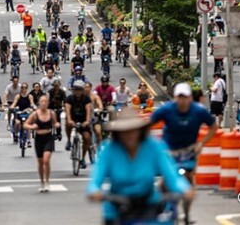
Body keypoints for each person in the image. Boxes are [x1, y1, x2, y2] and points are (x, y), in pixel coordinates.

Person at [87, 108, 193, 225]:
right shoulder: (109, 149)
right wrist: (94, 191)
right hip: (118, 207)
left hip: (148, 204)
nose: (129, 135)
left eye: (133, 130)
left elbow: (172, 175)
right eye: (124, 131)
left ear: (140, 131)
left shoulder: (154, 146)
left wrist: (184, 189)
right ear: (118, 133)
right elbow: (96, 179)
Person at [149, 83, 218, 222]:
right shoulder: (167, 109)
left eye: (185, 97)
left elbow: (213, 126)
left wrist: (201, 143)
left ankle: (186, 213)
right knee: (166, 179)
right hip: (169, 150)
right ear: (175, 98)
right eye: (179, 97)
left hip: (189, 150)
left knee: (188, 179)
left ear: (190, 98)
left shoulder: (198, 111)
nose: (182, 101)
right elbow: (148, 124)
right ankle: (159, 203)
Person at [24, 95, 60, 192]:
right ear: (39, 103)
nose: (44, 103)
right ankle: (42, 182)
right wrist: (32, 127)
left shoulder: (51, 113)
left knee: (46, 160)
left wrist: (56, 125)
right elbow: (25, 124)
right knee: (40, 162)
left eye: (45, 101)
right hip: (39, 138)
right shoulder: (35, 114)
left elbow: (55, 123)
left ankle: (47, 181)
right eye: (42, 101)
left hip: (48, 137)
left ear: (48, 103)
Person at [64, 80, 92, 169]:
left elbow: (88, 111)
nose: (77, 91)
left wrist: (87, 121)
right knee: (67, 123)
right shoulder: (69, 99)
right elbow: (67, 111)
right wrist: (69, 120)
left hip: (83, 120)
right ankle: (68, 141)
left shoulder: (86, 99)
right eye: (76, 89)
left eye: (79, 89)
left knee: (87, 138)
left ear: (82, 90)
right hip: (73, 119)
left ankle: (82, 158)